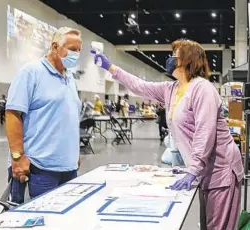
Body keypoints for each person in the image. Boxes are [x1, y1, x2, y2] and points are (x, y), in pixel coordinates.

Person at [93, 39, 244, 229]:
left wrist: (192, 170)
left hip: (221, 170)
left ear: (187, 60)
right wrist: (111, 67)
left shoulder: (202, 89)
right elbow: (140, 86)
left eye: (174, 55)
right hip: (204, 171)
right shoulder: (171, 89)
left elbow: (204, 134)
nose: (169, 58)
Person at [5, 27, 82, 204]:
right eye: (72, 49)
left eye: (79, 50)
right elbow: (12, 115)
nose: (76, 54)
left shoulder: (70, 78)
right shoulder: (30, 72)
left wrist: (74, 153)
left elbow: (67, 117)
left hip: (68, 168)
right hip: (38, 168)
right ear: (55, 47)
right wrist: (18, 158)